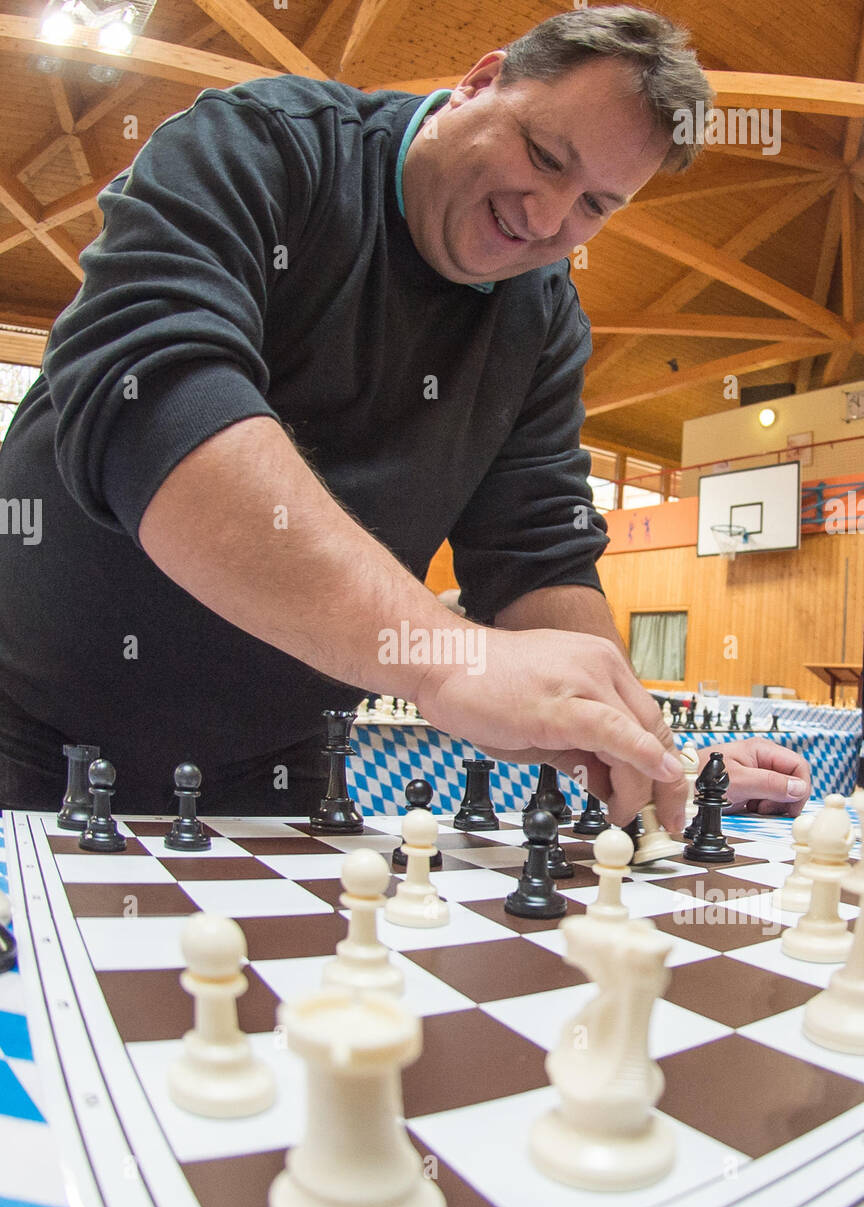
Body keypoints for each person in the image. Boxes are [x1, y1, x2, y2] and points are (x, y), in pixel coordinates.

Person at [0, 7, 810, 822]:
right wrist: (442, 657)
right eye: (542, 155)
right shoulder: (266, 143)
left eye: (594, 205)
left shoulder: (544, 322)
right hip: (26, 722)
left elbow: (539, 557)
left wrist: (650, 753)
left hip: (280, 768)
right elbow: (155, 404)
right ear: (480, 82)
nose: (544, 218)